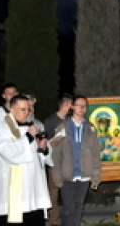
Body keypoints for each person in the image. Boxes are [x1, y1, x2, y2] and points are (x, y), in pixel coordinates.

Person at [0, 95, 52, 226]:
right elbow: (8, 153)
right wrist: (28, 136)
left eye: (28, 109)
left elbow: (40, 157)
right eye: (23, 109)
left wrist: (43, 148)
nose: (27, 113)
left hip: (33, 186)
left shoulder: (34, 127)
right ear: (12, 109)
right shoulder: (3, 129)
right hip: (13, 187)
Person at [50, 95, 102, 226]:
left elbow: (96, 154)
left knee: (78, 209)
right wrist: (57, 177)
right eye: (79, 105)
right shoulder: (63, 126)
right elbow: (56, 154)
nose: (82, 108)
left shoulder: (91, 128)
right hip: (68, 175)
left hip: (84, 175)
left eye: (84, 106)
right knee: (68, 209)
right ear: (72, 106)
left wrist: (96, 176)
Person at [44, 93, 73, 226]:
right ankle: (54, 219)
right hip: (54, 161)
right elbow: (44, 141)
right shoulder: (50, 121)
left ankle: (68, 218)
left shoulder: (70, 120)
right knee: (53, 191)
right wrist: (52, 142)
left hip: (68, 161)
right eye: (71, 104)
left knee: (68, 191)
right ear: (65, 104)